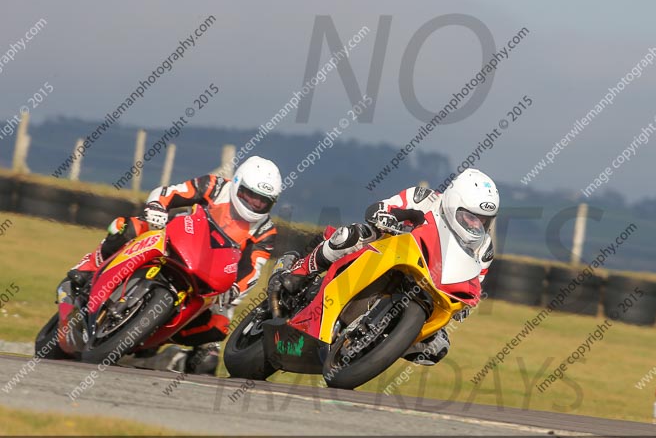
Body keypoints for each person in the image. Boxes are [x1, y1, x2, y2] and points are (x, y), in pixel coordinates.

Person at [66, 156, 282, 373]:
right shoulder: (214, 186)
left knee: (218, 327)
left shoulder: (265, 230)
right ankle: (88, 268)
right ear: (237, 183)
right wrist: (156, 206)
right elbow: (171, 192)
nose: (255, 204)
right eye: (251, 195)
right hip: (173, 238)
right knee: (130, 226)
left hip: (209, 277)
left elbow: (253, 269)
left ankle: (158, 342)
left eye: (262, 201)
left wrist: (235, 290)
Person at [274, 168, 499, 366]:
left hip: (430, 287)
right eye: (470, 217)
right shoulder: (424, 199)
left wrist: (464, 306)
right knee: (352, 235)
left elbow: (473, 283)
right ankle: (299, 271)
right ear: (453, 203)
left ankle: (377, 346)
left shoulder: (484, 248)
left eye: (483, 220)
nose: (476, 225)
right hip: (386, 253)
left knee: (437, 348)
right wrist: (385, 215)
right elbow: (383, 207)